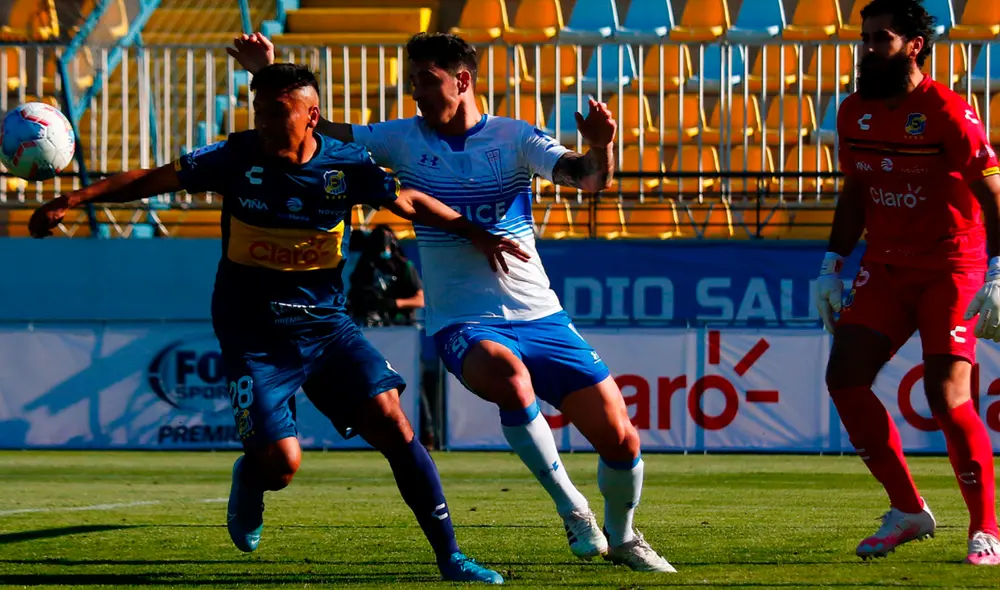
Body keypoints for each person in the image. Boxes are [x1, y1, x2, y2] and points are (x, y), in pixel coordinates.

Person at [28, 62, 525, 584]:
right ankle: (253, 474)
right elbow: (154, 179)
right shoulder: (235, 157)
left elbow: (409, 201)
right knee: (281, 465)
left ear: (312, 116)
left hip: (327, 327)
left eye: (277, 110)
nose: (263, 119)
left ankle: (450, 557)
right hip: (254, 332)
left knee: (394, 423)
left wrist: (475, 232)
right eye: (258, 108)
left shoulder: (346, 165)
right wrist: (75, 198)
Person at [229, 32, 674, 572]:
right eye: (412, 78)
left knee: (622, 440)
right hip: (462, 321)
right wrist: (266, 73)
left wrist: (600, 144)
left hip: (541, 314)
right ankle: (572, 508)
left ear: (461, 80)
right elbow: (310, 126)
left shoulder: (515, 138)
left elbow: (586, 179)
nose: (414, 89)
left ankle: (623, 536)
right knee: (509, 377)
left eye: (425, 79)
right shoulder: (399, 139)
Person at [815, 0, 1000, 565]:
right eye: (865, 37)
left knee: (946, 397)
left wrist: (999, 269)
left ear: (913, 44)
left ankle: (987, 528)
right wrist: (831, 264)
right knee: (844, 376)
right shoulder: (852, 111)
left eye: (881, 38)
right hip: (886, 265)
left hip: (952, 266)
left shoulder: (947, 111)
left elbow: (993, 193)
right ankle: (909, 510)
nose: (868, 47)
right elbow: (857, 190)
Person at [348, 225, 425, 327]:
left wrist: (395, 303)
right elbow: (353, 295)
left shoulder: (404, 267)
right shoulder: (364, 267)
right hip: (368, 325)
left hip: (401, 327)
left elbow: (421, 300)